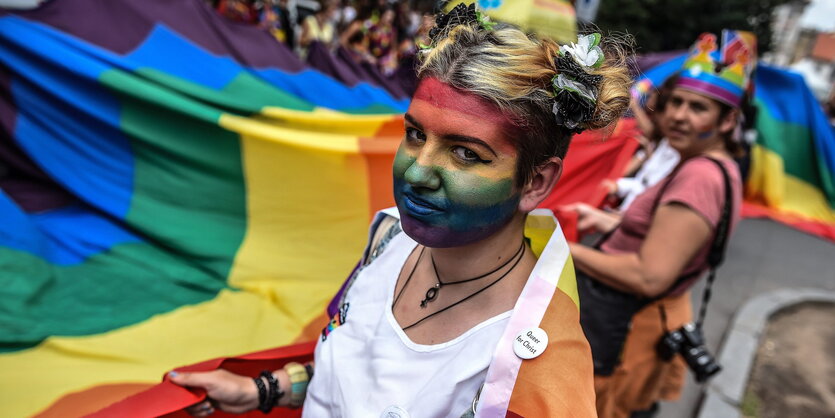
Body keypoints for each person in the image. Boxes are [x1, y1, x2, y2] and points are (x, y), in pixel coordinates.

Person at [168, 4, 631, 416]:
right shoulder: (390, 235)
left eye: (465, 153)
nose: (416, 171)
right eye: (414, 134)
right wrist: (266, 389)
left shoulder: (535, 365)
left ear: (536, 182)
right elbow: (357, 364)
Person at [565, 32, 749, 418]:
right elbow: (662, 232)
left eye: (698, 108)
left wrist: (566, 251)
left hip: (623, 324)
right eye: (676, 103)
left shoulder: (700, 176)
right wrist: (607, 220)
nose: (679, 115)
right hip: (626, 317)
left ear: (728, 119)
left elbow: (649, 276)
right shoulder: (706, 164)